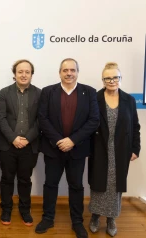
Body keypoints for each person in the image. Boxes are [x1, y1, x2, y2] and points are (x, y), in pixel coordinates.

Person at [35, 58, 99, 238]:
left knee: (76, 186)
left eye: (72, 70)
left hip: (77, 150)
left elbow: (93, 120)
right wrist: (58, 140)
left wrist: (72, 140)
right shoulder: (48, 92)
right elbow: (43, 119)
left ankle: (77, 222)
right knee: (50, 184)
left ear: (77, 72)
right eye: (65, 70)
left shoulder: (89, 92)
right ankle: (48, 218)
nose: (69, 73)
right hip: (53, 149)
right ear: (60, 72)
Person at [88, 62, 141, 237]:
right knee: (98, 183)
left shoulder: (129, 100)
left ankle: (111, 218)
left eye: (115, 77)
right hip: (99, 148)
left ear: (120, 78)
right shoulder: (94, 98)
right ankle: (95, 216)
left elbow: (135, 127)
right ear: (103, 80)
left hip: (121, 150)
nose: (112, 81)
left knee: (114, 185)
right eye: (108, 78)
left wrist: (135, 148)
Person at [0, 59, 41, 227]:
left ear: (31, 74)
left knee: (25, 180)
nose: (23, 75)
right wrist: (13, 138)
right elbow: (1, 118)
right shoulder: (4, 93)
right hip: (8, 145)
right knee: (7, 179)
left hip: (29, 146)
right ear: (14, 74)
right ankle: (6, 209)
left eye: (27, 72)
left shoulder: (39, 93)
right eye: (20, 72)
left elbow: (40, 120)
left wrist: (27, 138)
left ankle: (25, 210)